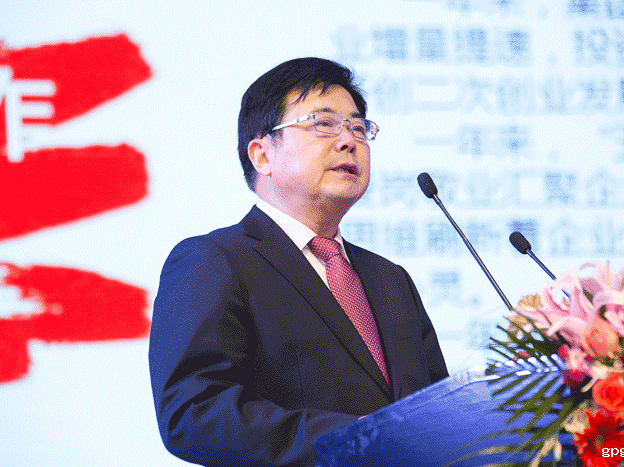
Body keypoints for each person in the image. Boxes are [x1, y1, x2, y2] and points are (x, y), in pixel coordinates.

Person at [148, 57, 449, 467]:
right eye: (323, 124)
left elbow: (437, 413)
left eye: (358, 128)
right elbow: (194, 414)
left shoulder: (391, 280)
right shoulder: (215, 261)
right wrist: (354, 440)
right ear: (262, 155)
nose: (348, 141)